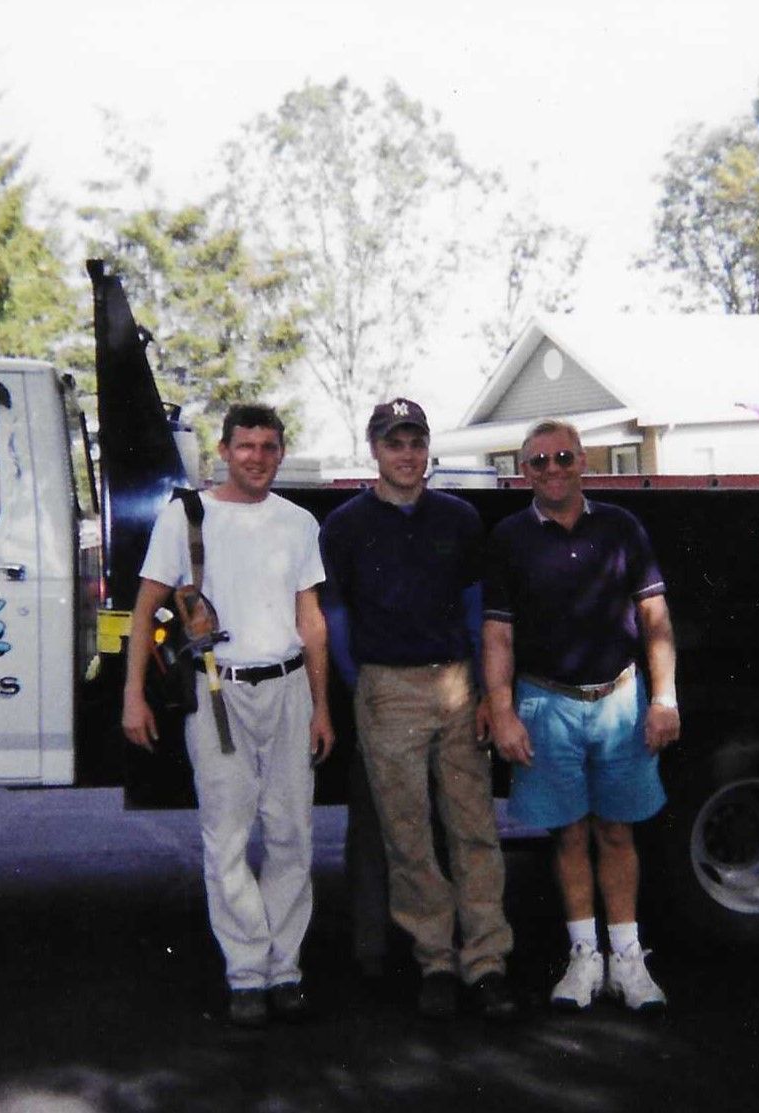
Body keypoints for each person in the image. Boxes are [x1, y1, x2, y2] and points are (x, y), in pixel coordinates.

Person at [123, 403, 334, 1028]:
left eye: (269, 447)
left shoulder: (298, 523)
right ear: (223, 450)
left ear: (281, 453)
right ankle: (246, 973)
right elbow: (145, 610)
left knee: (292, 833)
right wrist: (132, 695)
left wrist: (322, 707)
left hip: (288, 688)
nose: (258, 458)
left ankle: (285, 969)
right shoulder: (186, 516)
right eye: (246, 446)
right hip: (220, 690)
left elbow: (311, 620)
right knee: (227, 837)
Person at [320, 399, 518, 1020]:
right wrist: (361, 684)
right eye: (394, 443)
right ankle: (435, 959)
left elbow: (477, 607)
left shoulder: (459, 518)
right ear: (374, 451)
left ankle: (486, 961)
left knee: (473, 827)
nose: (406, 454)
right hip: (387, 689)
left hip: (455, 684)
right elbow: (335, 615)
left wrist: (484, 690)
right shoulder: (346, 525)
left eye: (415, 442)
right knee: (406, 833)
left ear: (428, 448)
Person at [482, 418, 682, 1012]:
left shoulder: (622, 527)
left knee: (617, 831)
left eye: (564, 457)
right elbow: (498, 635)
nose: (553, 469)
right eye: (539, 461)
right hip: (546, 704)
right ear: (524, 472)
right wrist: (503, 712)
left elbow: (655, 619)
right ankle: (583, 957)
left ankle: (628, 959)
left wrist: (664, 699)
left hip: (620, 701)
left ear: (583, 462)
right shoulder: (509, 538)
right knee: (568, 833)